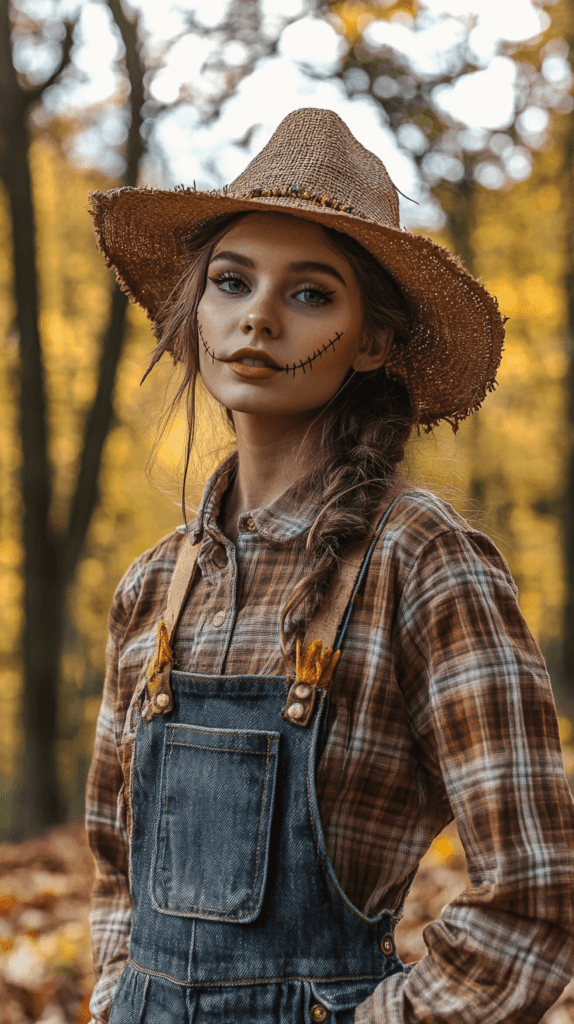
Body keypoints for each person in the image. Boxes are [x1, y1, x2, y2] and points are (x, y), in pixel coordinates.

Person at [85, 107, 574, 1024]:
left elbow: (537, 894)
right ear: (196, 313)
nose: (259, 317)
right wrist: (116, 999)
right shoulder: (152, 586)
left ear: (374, 341)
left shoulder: (422, 559)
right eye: (231, 282)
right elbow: (116, 873)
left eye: (311, 294)